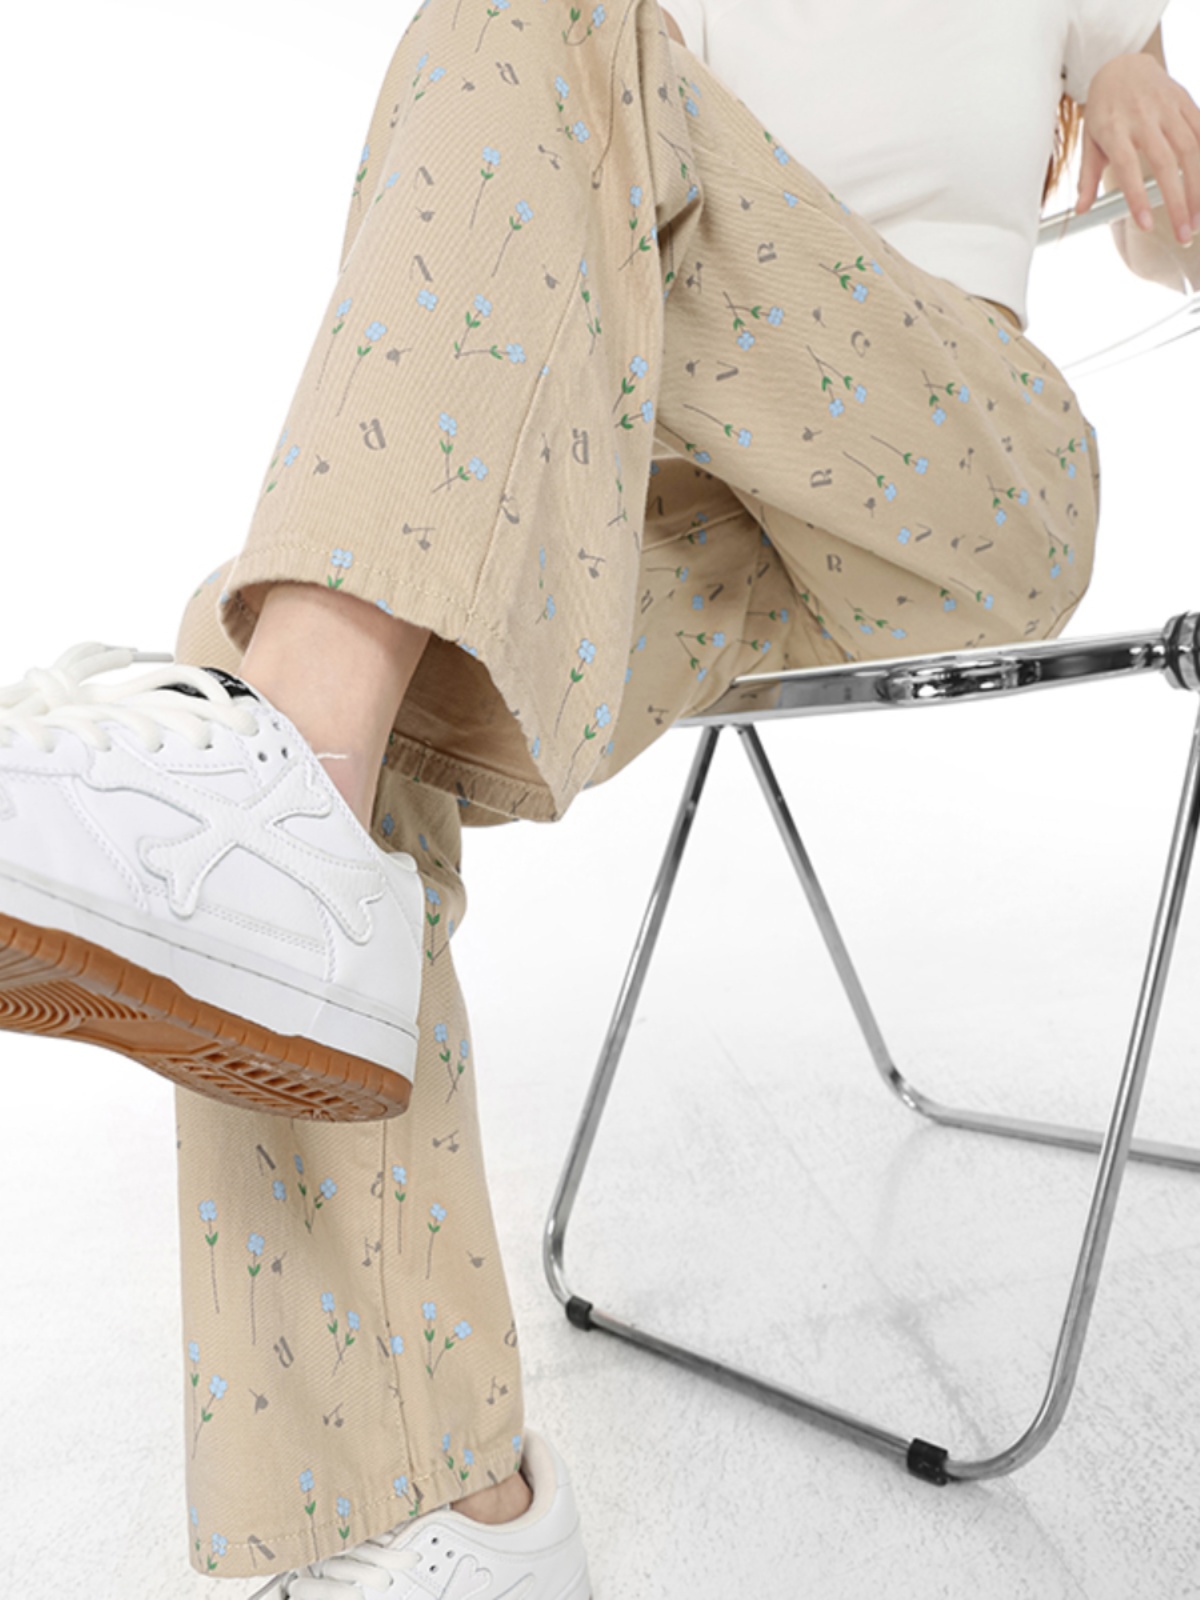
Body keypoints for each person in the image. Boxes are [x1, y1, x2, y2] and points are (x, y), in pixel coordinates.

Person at [0, 1, 1196, 1594]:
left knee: (528, 16)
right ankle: (453, 1507)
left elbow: (1170, 234)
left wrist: (1134, 99)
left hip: (960, 460)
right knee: (278, 648)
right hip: (703, 496)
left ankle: (266, 792)